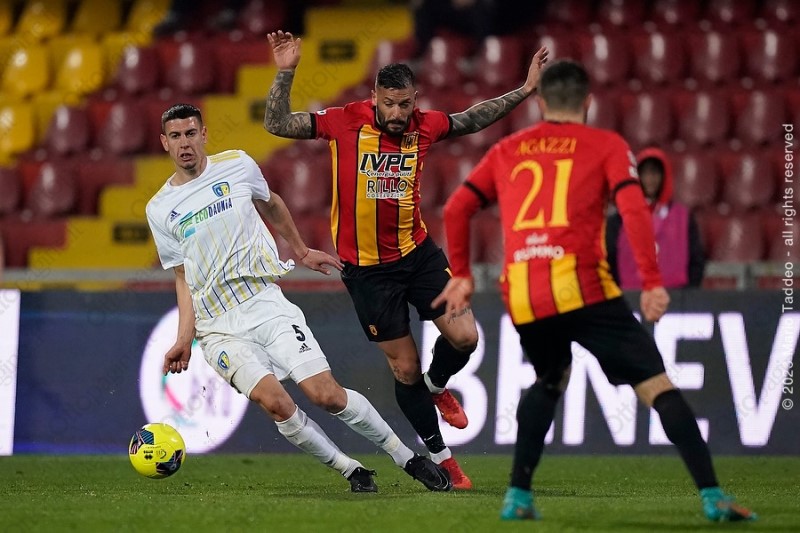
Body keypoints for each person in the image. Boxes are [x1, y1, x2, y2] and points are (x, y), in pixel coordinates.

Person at [432, 60, 756, 521]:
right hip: (583, 286)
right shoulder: (607, 145)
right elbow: (634, 211)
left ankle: (518, 496)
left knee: (549, 380)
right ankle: (713, 497)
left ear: (540, 103)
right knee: (656, 384)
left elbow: (456, 207)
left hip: (525, 292)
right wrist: (651, 283)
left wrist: (462, 274)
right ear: (587, 102)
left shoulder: (508, 149)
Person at [263, 30, 548, 490]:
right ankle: (443, 458)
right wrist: (286, 72)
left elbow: (472, 119)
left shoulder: (425, 125)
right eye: (389, 104)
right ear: (374, 97)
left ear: (416, 100)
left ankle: (437, 386)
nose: (397, 114)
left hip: (417, 255)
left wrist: (525, 89)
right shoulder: (343, 121)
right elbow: (277, 124)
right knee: (404, 369)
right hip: (368, 274)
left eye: (405, 104)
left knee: (466, 337)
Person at [145, 103, 451, 493]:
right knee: (276, 404)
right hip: (217, 326)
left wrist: (301, 251)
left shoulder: (237, 165)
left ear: (203, 134)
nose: (184, 143)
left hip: (264, 302)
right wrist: (184, 339)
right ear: (164, 142)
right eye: (175, 136)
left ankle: (406, 457)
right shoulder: (160, 209)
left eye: (190, 133)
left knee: (327, 395)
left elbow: (271, 203)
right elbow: (182, 276)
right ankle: (351, 470)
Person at [606, 147, 705, 289]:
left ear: (664, 176)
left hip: (677, 295)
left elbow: (696, 259)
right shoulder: (618, 219)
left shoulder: (684, 217)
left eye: (655, 172)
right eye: (645, 173)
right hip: (630, 295)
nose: (650, 179)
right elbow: (610, 259)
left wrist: (688, 293)